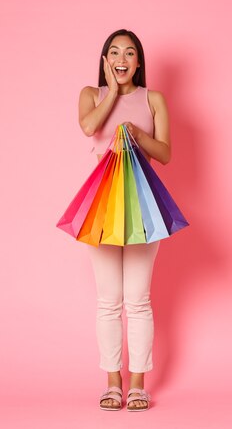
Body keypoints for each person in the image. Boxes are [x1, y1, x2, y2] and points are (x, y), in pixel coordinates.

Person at [77, 29, 171, 412]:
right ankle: (111, 382)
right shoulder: (91, 94)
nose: (122, 59)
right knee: (108, 301)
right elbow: (88, 127)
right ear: (105, 60)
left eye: (129, 53)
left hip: (142, 211)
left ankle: (137, 385)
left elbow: (164, 153)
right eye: (114, 52)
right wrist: (112, 92)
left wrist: (135, 133)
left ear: (138, 62)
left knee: (138, 300)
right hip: (101, 209)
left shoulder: (154, 99)